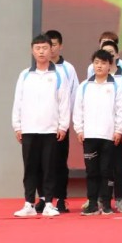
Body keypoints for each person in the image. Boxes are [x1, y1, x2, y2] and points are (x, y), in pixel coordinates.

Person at [12, 34, 71, 218]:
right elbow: (18, 101)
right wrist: (17, 126)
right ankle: (29, 203)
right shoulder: (25, 75)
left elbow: (64, 102)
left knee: (49, 168)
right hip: (29, 129)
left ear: (50, 49)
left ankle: (48, 204)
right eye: (37, 48)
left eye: (45, 48)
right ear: (32, 51)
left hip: (50, 129)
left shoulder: (59, 74)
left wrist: (63, 126)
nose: (41, 52)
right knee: (30, 168)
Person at [73, 50, 122, 216]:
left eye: (103, 63)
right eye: (96, 62)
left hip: (108, 135)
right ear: (92, 64)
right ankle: (92, 203)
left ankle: (106, 204)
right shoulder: (84, 86)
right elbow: (78, 109)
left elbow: (121, 110)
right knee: (91, 171)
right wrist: (79, 129)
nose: (99, 66)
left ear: (109, 65)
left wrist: (118, 130)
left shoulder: (116, 86)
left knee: (106, 171)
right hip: (89, 135)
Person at [45, 29, 80, 213]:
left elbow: (73, 96)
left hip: (60, 125)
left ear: (60, 46)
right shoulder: (39, 69)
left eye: (54, 45)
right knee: (43, 163)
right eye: (47, 45)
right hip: (42, 124)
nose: (50, 49)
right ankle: (44, 199)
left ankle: (60, 198)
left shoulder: (68, 69)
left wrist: (66, 122)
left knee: (59, 163)